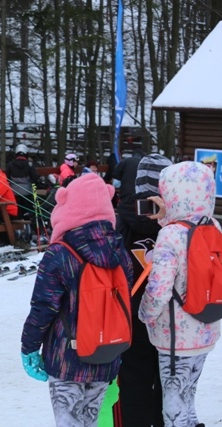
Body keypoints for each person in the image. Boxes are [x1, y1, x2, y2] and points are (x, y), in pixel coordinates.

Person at [21, 173, 134, 427]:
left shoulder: (60, 253)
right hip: (106, 352)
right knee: (91, 421)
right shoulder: (120, 251)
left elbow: (43, 308)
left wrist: (28, 347)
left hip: (66, 360)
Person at [139, 161, 221, 427]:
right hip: (207, 327)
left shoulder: (169, 236)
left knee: (173, 398)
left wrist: (144, 314)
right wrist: (165, 219)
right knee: (189, 390)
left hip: (174, 336)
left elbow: (159, 289)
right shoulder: (216, 228)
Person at [113, 154, 172, 427]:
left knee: (133, 379)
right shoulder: (177, 218)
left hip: (128, 311)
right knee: (167, 381)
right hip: (170, 314)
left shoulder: (121, 216)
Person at [5, 144, 41, 220]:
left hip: (14, 192)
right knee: (28, 210)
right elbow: (35, 177)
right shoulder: (29, 164)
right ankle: (27, 224)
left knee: (17, 210)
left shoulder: (10, 164)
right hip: (27, 192)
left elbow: (6, 177)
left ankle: (17, 226)